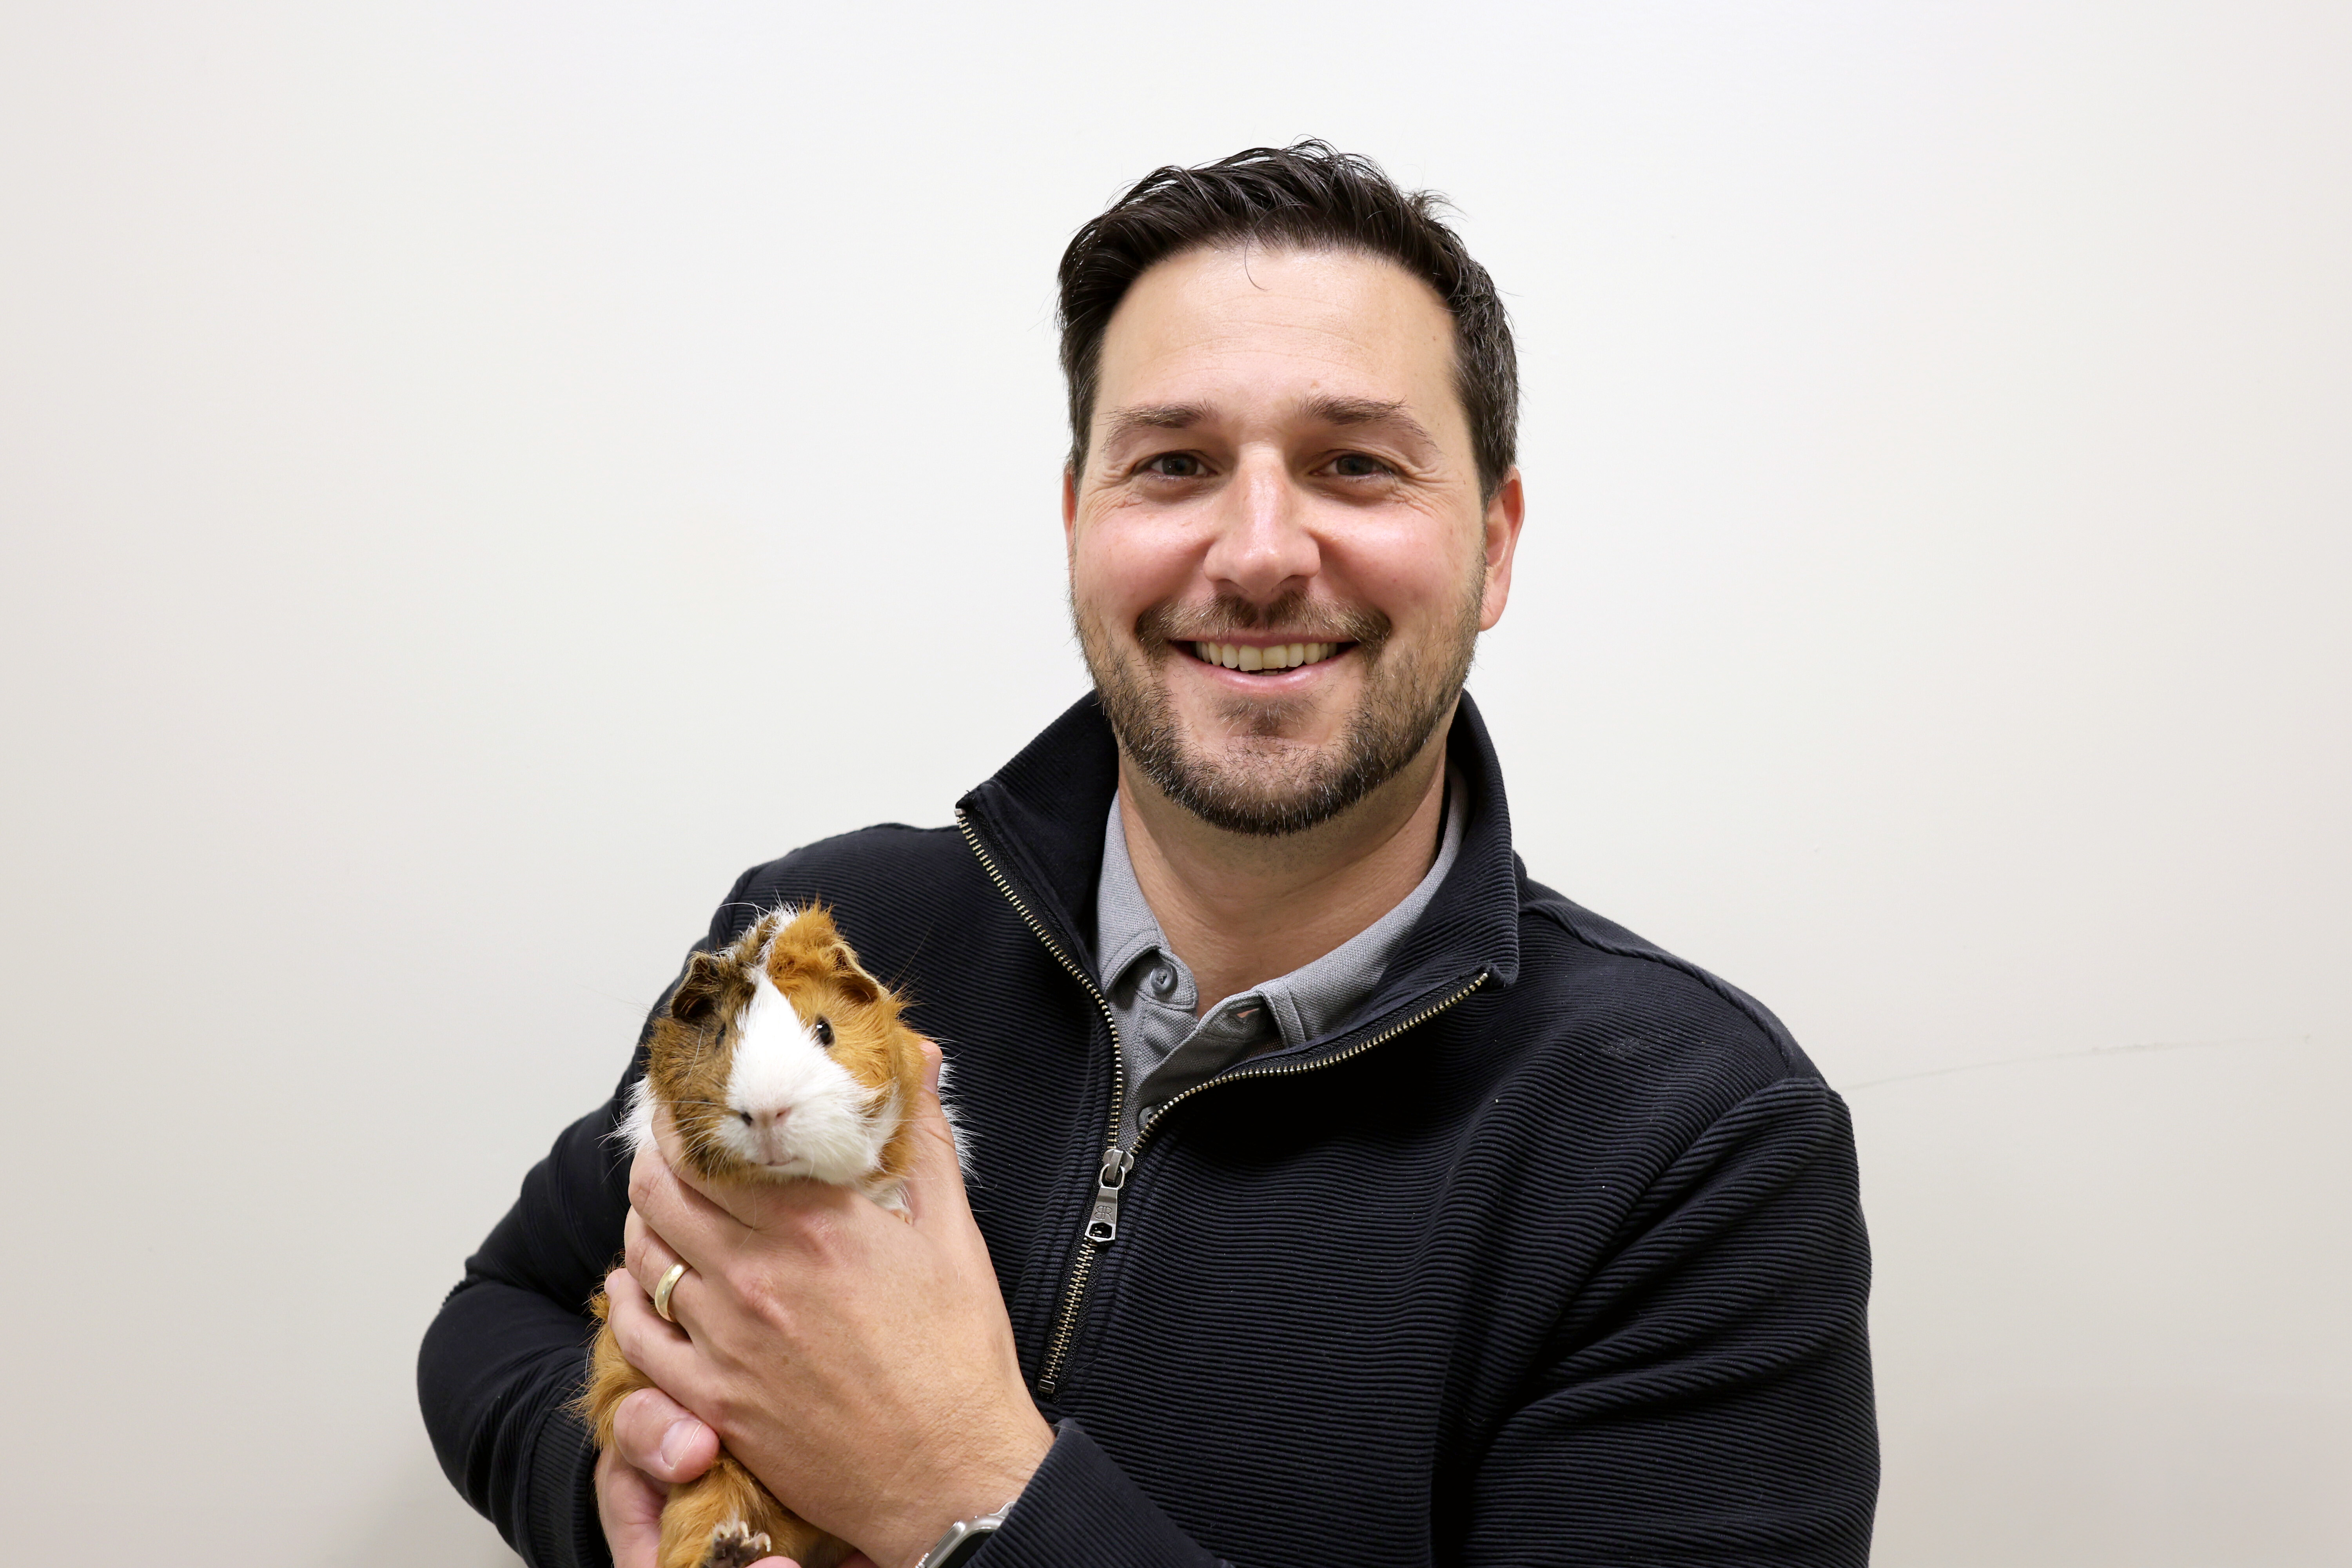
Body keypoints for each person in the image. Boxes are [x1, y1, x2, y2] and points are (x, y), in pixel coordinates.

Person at [419, 141, 1879, 1568]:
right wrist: (621, 1496)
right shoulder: (832, 933)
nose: (1255, 553)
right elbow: (502, 1315)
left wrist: (965, 1491)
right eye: (1174, 463)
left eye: (1355, 465)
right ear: (1079, 525)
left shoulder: (1700, 1146)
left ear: (1495, 544)